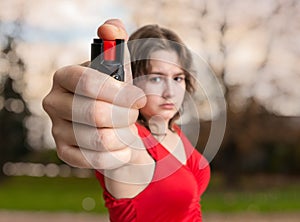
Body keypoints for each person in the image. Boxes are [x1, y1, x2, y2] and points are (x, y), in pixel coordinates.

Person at [43, 19, 210, 222]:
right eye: (156, 78)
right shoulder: (131, 139)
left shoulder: (172, 130)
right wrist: (105, 108)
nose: (170, 92)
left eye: (177, 78)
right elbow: (117, 139)